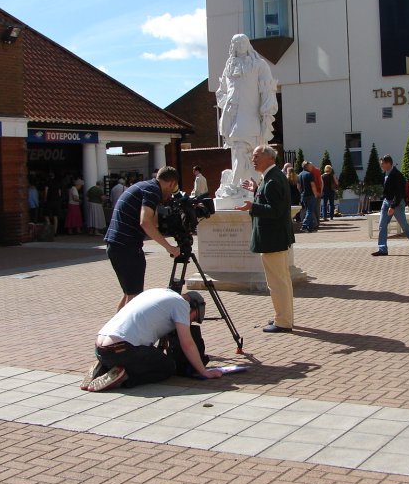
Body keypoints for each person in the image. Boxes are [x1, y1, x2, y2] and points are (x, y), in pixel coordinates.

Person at [81, 289, 223, 392]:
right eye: (193, 318)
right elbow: (187, 344)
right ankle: (125, 377)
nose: (189, 322)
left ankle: (103, 367)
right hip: (122, 349)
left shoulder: (156, 293)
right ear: (192, 307)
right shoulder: (181, 305)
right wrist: (204, 371)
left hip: (101, 348)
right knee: (168, 367)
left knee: (150, 356)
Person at [235, 145, 296, 333]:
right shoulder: (271, 177)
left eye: (257, 156)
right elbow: (271, 201)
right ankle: (284, 316)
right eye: (253, 156)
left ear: (270, 158)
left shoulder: (272, 180)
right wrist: (256, 190)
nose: (253, 160)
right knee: (282, 280)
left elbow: (275, 211)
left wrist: (252, 207)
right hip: (276, 238)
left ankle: (283, 321)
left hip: (273, 239)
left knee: (277, 282)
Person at [104, 166, 181, 311]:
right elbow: (145, 222)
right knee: (135, 297)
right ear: (171, 183)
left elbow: (153, 223)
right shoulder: (152, 191)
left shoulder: (146, 187)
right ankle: (126, 333)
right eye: (173, 188)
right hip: (126, 246)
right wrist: (169, 247)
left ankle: (115, 328)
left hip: (117, 244)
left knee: (130, 293)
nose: (172, 193)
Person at [215, 34, 278, 198]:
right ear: (232, 46)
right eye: (236, 42)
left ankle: (241, 187)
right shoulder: (229, 66)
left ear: (248, 44)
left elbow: (268, 89)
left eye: (243, 42)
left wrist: (267, 110)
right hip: (234, 119)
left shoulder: (259, 64)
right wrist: (227, 103)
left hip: (251, 118)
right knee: (239, 152)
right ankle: (241, 188)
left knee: (248, 154)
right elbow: (221, 91)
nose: (240, 45)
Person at [371, 155, 409, 256]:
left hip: (397, 203)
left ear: (388, 163)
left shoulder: (397, 175)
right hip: (386, 201)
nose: (381, 166)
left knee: (403, 225)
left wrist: (393, 206)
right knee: (382, 225)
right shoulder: (385, 173)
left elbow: (399, 193)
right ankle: (382, 249)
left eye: (382, 164)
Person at [298, 160, 317, 233]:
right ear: (307, 166)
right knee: (310, 211)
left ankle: (310, 227)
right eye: (310, 166)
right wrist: (315, 194)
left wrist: (301, 193)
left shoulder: (299, 175)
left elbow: (298, 186)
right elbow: (313, 185)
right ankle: (304, 226)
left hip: (303, 195)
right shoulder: (309, 174)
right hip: (310, 195)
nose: (312, 167)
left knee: (308, 211)